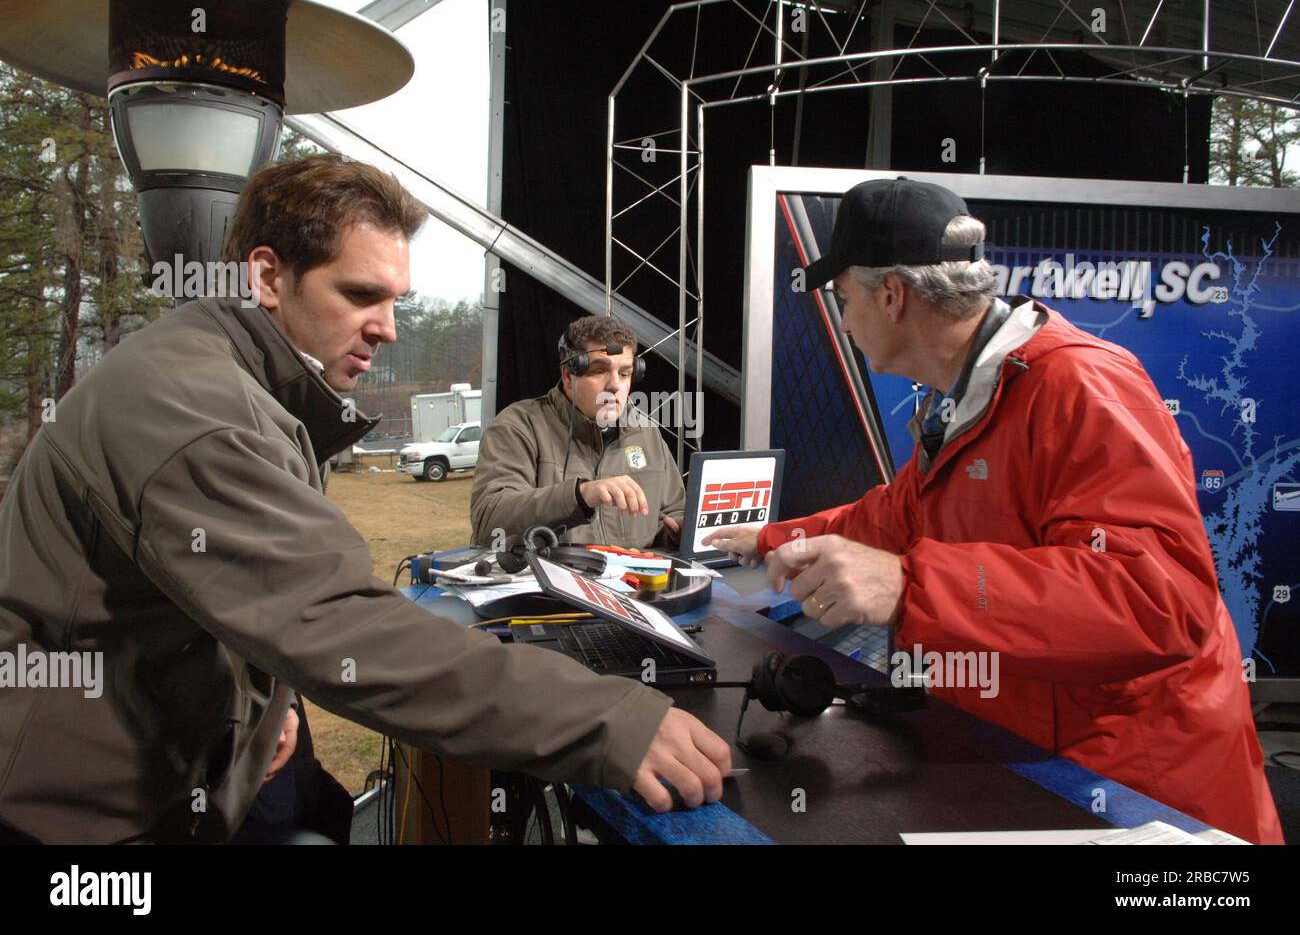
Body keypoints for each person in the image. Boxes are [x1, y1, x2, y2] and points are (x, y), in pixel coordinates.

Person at [0, 154, 729, 844]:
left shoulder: (244, 382)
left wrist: (260, 701)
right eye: (359, 294)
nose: (387, 326)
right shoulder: (198, 411)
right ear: (267, 276)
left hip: (162, 773)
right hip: (75, 816)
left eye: (395, 300)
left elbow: (226, 590)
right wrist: (610, 719)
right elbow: (340, 623)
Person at [706, 177, 1283, 845]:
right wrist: (773, 537)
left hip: (1143, 804)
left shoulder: (1079, 386)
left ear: (890, 296)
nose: (842, 319)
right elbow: (891, 518)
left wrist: (911, 585)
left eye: (842, 300)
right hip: (1038, 778)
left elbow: (1159, 598)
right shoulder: (969, 395)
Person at [471, 315, 685, 549]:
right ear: (569, 375)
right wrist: (580, 495)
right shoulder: (518, 426)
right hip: (548, 584)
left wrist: (678, 531)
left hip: (633, 583)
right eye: (600, 371)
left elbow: (672, 514)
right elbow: (489, 522)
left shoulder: (646, 433)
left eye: (624, 374)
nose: (615, 385)